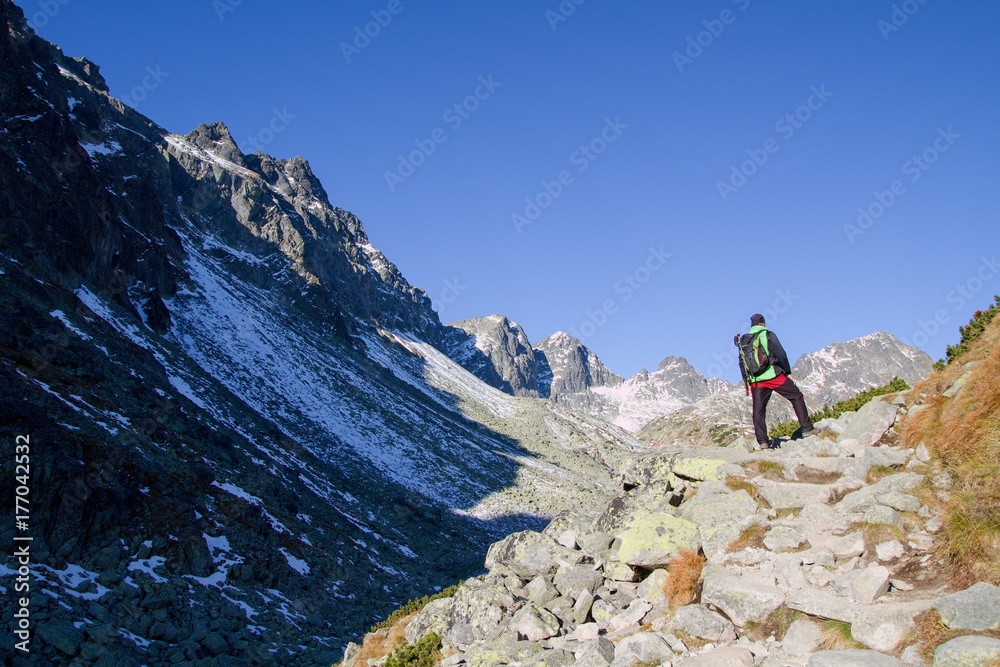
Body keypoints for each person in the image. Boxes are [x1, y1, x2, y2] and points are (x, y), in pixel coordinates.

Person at [735, 314, 814, 449]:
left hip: (756, 380)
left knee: (758, 411)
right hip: (773, 376)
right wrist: (787, 372)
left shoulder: (744, 339)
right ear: (763, 323)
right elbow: (781, 354)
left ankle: (763, 442)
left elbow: (742, 362)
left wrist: (747, 382)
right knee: (796, 396)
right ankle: (807, 429)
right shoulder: (768, 334)